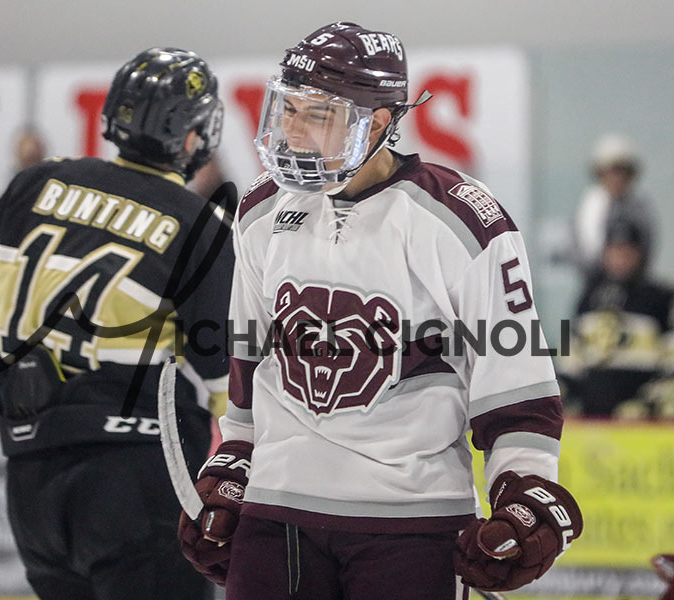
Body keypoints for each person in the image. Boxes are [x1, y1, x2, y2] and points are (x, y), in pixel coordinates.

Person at [178, 22, 582, 599]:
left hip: (411, 524)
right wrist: (234, 462)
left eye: (318, 114)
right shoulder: (261, 210)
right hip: (277, 515)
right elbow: (251, 366)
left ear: (378, 122)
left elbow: (514, 386)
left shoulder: (459, 220)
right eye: (287, 109)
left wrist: (524, 492)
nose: (292, 130)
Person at [0, 48, 232, 600]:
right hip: (137, 478)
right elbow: (230, 383)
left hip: (31, 484)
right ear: (192, 134)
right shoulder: (199, 223)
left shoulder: (38, 183)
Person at [559, 218, 674, 418]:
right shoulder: (588, 295)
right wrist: (564, 392)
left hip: (641, 416)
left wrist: (648, 404)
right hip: (591, 413)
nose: (620, 258)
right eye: (614, 251)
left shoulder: (659, 298)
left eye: (627, 252)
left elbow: (670, 363)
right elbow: (571, 354)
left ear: (640, 254)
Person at [572, 134, 654, 276]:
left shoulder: (640, 208)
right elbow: (580, 251)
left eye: (624, 171)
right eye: (613, 171)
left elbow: (647, 245)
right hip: (596, 279)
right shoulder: (588, 209)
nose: (618, 178)